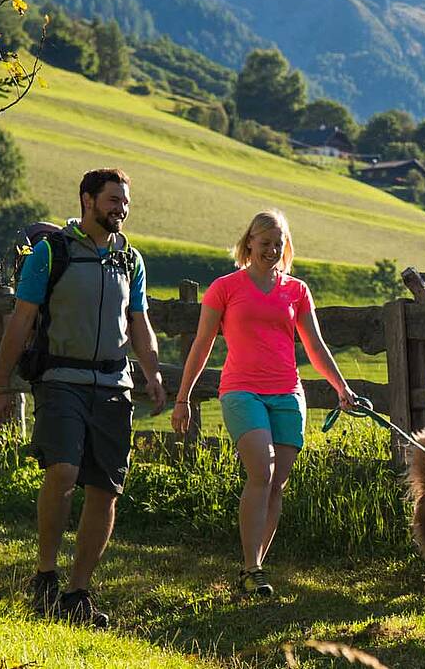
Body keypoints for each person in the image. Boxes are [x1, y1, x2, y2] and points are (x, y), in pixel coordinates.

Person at [0, 168, 167, 627]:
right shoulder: (51, 253)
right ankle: (45, 575)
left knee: (105, 490)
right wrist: (0, 386)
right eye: (112, 200)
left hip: (114, 386)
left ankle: (77, 591)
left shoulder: (131, 260)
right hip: (60, 379)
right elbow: (21, 321)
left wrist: (152, 373)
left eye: (125, 201)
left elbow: (139, 323)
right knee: (63, 470)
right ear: (87, 199)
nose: (120, 209)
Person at [172, 209, 358, 598]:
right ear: (249, 242)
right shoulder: (224, 287)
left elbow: (314, 345)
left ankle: (252, 568)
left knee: (277, 484)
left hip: (288, 393)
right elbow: (202, 343)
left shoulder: (297, 290)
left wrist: (341, 388)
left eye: (278, 244)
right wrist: (183, 396)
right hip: (242, 390)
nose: (271, 250)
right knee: (262, 470)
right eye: (265, 243)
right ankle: (252, 566)